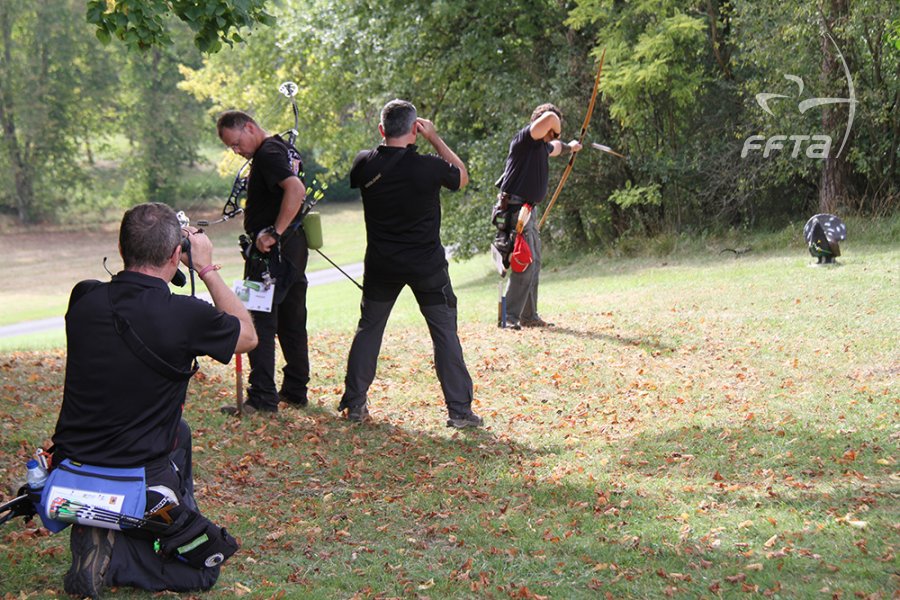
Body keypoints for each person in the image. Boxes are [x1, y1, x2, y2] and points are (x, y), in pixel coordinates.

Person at [50, 202, 257, 596]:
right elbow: (247, 337)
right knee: (202, 572)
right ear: (175, 254)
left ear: (123, 246)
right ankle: (116, 558)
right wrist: (207, 268)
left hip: (73, 457)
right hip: (136, 468)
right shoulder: (184, 314)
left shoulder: (84, 300)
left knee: (180, 430)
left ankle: (107, 527)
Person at [338, 99, 483, 428]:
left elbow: (371, 166)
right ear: (416, 129)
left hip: (381, 266)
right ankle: (459, 412)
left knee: (369, 331)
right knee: (445, 333)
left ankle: (355, 404)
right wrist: (435, 138)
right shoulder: (429, 167)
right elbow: (461, 177)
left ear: (381, 129)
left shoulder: (364, 163)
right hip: (427, 267)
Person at [217, 111, 310, 413]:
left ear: (249, 127)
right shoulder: (284, 147)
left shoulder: (268, 153)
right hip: (294, 251)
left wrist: (273, 232)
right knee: (292, 319)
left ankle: (262, 397)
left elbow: (296, 190)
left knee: (256, 321)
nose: (236, 151)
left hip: (270, 253)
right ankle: (295, 389)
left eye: (236, 143)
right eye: (231, 148)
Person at [496, 103, 582, 329]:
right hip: (515, 210)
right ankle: (509, 317)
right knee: (523, 261)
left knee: (533, 262)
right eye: (551, 130)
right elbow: (552, 117)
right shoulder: (525, 140)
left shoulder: (541, 147)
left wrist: (570, 147)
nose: (552, 134)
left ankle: (528, 316)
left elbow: (556, 147)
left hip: (527, 211)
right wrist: (556, 130)